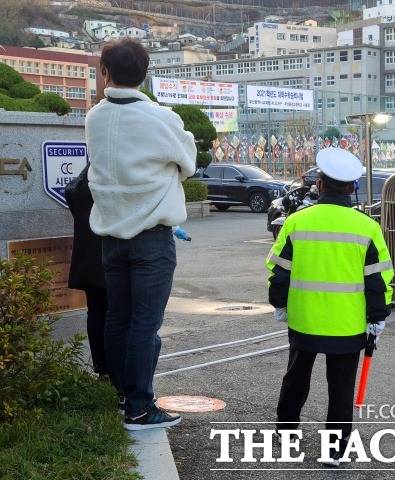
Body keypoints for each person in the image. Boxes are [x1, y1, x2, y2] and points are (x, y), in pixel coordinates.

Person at [86, 39, 197, 430]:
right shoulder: (162, 117)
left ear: (104, 71)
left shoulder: (94, 118)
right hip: (151, 237)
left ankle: (121, 394)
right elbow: (188, 164)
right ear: (146, 73)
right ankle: (139, 407)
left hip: (111, 236)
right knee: (145, 324)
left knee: (118, 317)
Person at [265, 148, 394, 467]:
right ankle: (335, 450)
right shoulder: (367, 228)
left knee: (296, 376)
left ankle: (286, 432)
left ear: (319, 185)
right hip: (347, 325)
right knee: (340, 386)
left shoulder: (296, 222)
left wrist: (279, 304)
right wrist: (377, 317)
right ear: (352, 188)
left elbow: (279, 271)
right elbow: (377, 280)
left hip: (304, 320)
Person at [64, 164, 108, 378]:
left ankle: (102, 370)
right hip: (106, 258)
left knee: (96, 312)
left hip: (86, 260)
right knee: (114, 315)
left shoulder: (79, 184)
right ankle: (114, 371)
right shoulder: (105, 181)